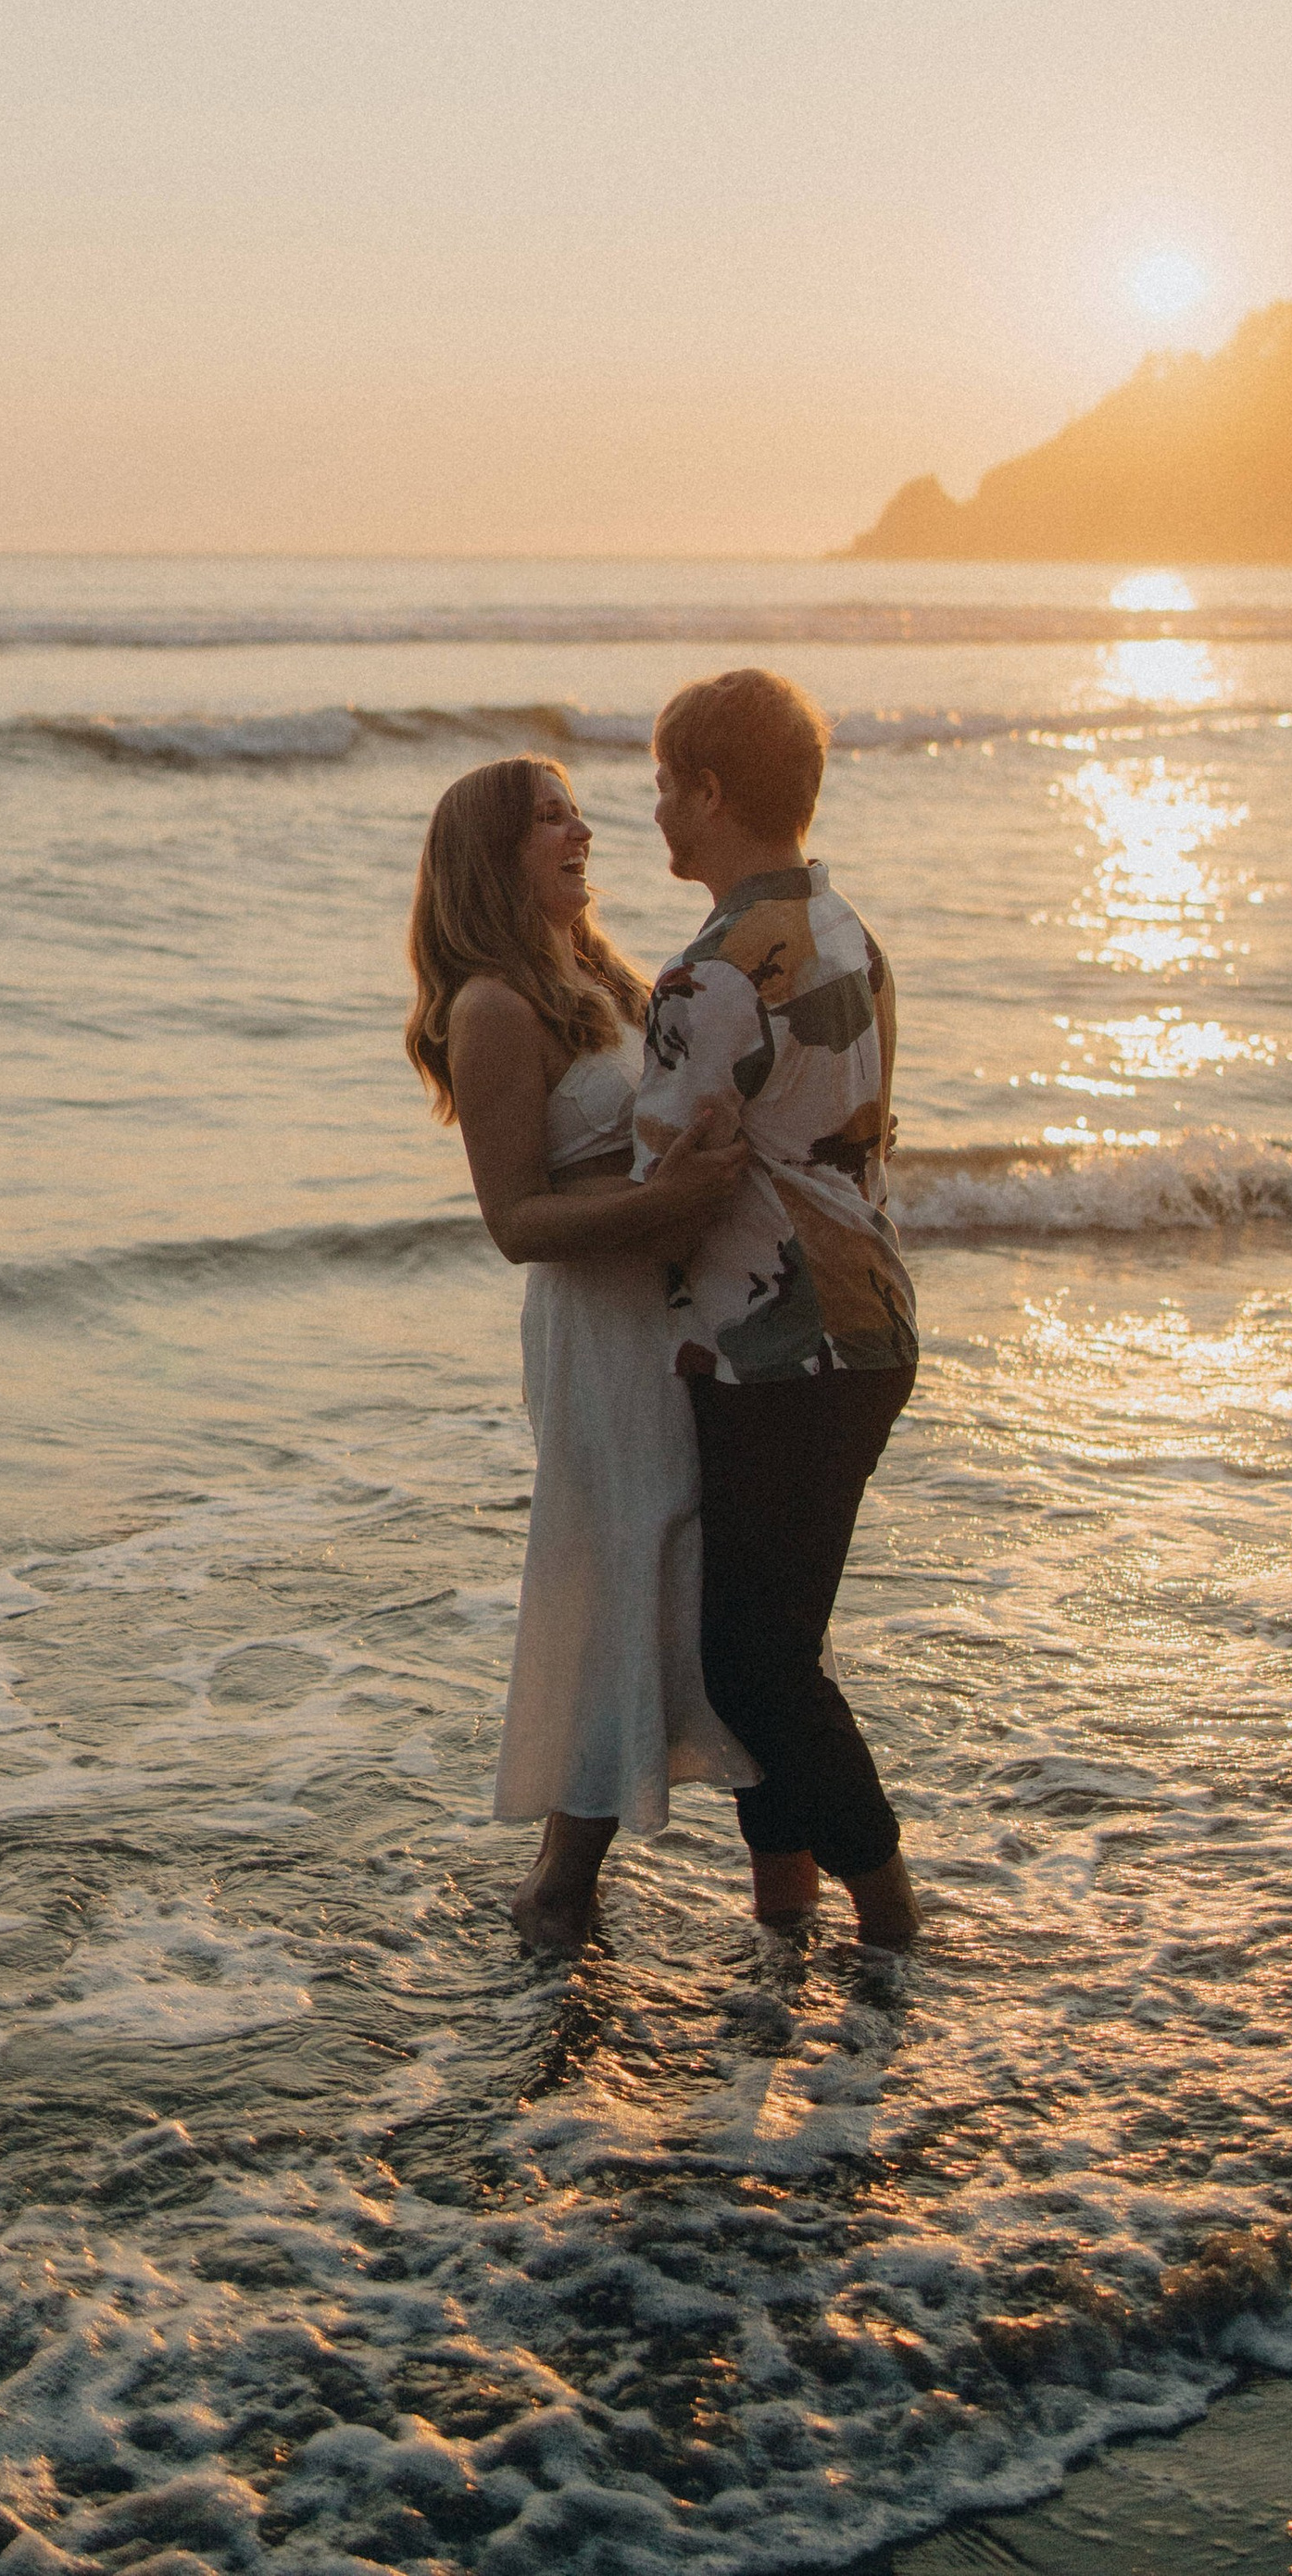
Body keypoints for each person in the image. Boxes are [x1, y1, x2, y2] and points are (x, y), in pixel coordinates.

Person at [406, 755, 757, 1950]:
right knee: (625, 1568)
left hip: (668, 1317)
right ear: (490, 854)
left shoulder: (591, 978)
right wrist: (672, 1207)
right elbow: (516, 1223)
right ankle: (559, 1891)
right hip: (598, 1334)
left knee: (671, 1569)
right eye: (549, 818)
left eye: (573, 810)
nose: (581, 831)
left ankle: (586, 1889)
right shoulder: (490, 1011)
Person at [633, 669, 922, 1946]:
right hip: (868, 1321)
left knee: (751, 1659)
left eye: (662, 787)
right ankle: (787, 1917)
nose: (655, 816)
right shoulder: (852, 932)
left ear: (710, 790)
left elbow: (668, 1192)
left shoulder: (706, 982)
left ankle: (888, 1911)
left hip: (775, 1340)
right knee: (774, 1640)